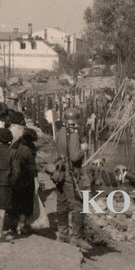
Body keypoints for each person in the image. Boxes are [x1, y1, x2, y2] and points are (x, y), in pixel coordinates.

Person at [54, 107, 89, 255]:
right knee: (77, 205)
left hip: (60, 172)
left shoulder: (60, 133)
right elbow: (75, 156)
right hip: (70, 174)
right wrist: (83, 149)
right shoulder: (73, 136)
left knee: (62, 202)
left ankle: (62, 232)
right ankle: (77, 237)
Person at [11, 127, 39, 236]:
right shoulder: (28, 150)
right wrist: (36, 180)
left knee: (15, 201)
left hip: (14, 177)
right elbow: (32, 167)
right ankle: (21, 226)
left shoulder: (16, 145)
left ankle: (14, 224)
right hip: (26, 178)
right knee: (25, 204)